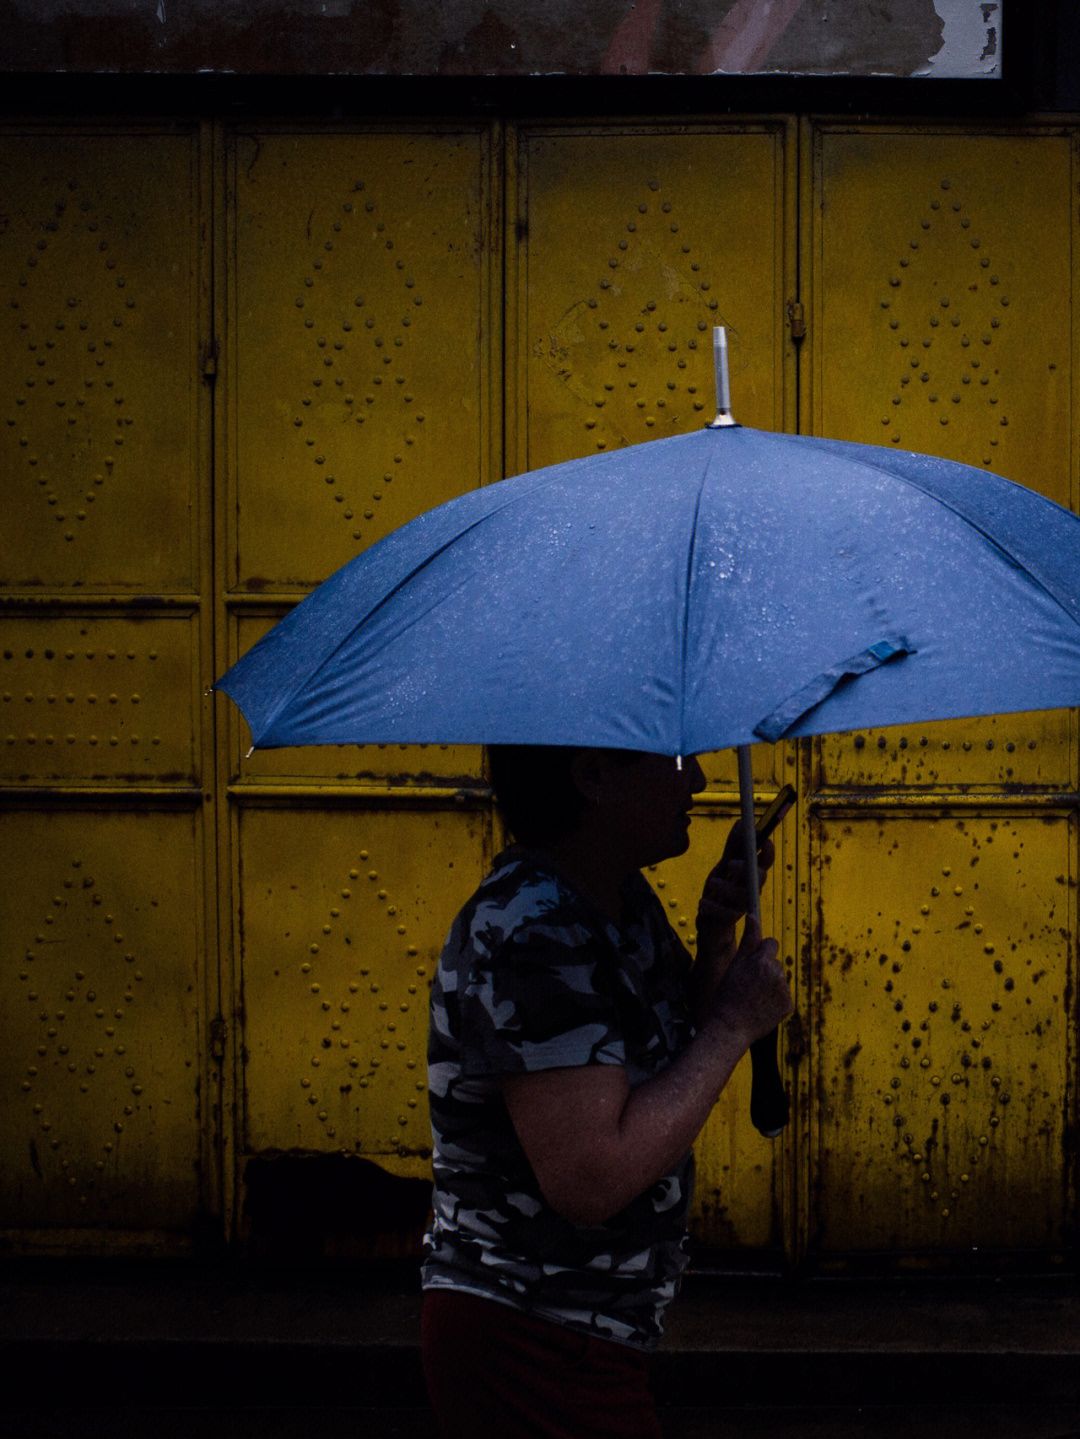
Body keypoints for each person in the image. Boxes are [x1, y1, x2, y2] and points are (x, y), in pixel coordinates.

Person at [420, 745, 794, 1439]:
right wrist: (735, 1024)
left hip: (580, 1332)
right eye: (676, 757)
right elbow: (592, 1175)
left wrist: (716, 939)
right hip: (531, 1336)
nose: (701, 779)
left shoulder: (614, 902)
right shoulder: (533, 930)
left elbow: (664, 1076)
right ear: (592, 776)